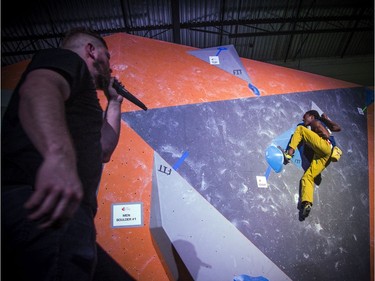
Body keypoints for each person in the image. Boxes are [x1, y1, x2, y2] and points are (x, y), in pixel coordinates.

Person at [2, 27, 123, 281]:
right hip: (41, 203)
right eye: (107, 56)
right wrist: (58, 156)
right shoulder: (68, 60)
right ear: (91, 51)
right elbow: (38, 88)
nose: (110, 65)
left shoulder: (83, 99)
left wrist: (113, 103)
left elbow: (105, 148)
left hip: (70, 214)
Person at [283, 110, 341, 221]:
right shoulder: (322, 122)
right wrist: (326, 119)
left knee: (300, 129)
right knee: (307, 177)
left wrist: (325, 134)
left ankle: (289, 153)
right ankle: (307, 203)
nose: (303, 119)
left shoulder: (315, 122)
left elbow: (325, 134)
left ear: (312, 116)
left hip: (325, 146)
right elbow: (338, 128)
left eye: (305, 117)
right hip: (328, 155)